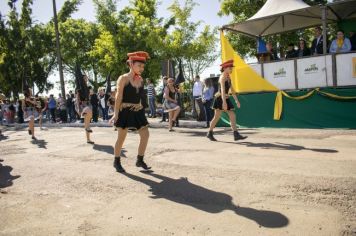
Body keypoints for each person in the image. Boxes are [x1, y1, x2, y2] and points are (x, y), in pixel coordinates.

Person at [110, 51, 151, 173]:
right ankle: (116, 161)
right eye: (139, 65)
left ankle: (139, 159)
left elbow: (141, 96)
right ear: (131, 64)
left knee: (145, 135)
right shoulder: (123, 78)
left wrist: (141, 106)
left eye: (143, 66)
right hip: (124, 111)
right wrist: (116, 113)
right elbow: (118, 96)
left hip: (137, 111)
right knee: (121, 138)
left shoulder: (141, 80)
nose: (142, 68)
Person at [207, 59, 247, 142]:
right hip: (220, 99)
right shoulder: (222, 77)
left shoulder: (228, 76)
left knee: (231, 115)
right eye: (230, 68)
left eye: (231, 68)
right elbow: (222, 89)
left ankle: (235, 134)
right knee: (216, 117)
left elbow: (232, 90)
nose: (231, 69)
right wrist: (224, 102)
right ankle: (210, 133)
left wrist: (236, 100)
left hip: (225, 98)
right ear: (224, 68)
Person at [75, 75, 94, 144]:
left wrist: (89, 89)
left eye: (86, 78)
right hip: (82, 105)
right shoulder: (79, 88)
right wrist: (78, 108)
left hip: (88, 104)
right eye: (84, 78)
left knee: (87, 123)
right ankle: (87, 128)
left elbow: (91, 93)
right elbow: (77, 98)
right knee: (88, 110)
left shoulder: (88, 87)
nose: (86, 79)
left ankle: (88, 139)